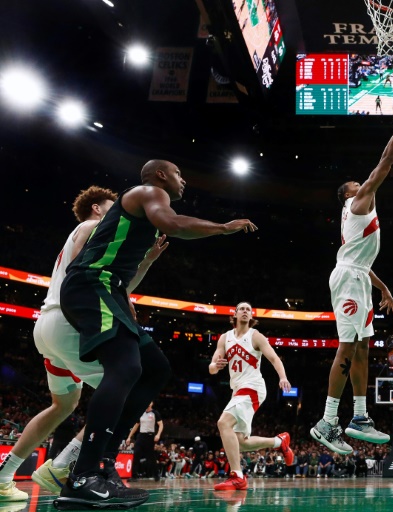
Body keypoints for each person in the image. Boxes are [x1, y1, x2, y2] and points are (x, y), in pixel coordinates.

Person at [54, 160, 256, 510]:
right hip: (92, 283)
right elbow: (172, 223)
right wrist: (223, 227)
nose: (184, 180)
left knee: (155, 368)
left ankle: (103, 465)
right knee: (126, 367)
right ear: (161, 175)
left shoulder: (140, 209)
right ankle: (83, 475)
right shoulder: (150, 192)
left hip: (111, 289)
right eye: (180, 174)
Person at [0, 186, 166, 503]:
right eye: (112, 206)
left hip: (48, 326)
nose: (119, 211)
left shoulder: (82, 233)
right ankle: (63, 466)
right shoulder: (94, 227)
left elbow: (118, 282)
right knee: (128, 386)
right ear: (97, 209)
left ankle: (4, 476)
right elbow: (86, 278)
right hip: (71, 321)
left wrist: (145, 262)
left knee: (62, 406)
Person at [311, 98, 393, 455]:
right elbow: (387, 161)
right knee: (348, 346)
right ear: (349, 196)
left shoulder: (359, 215)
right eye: (355, 184)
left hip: (358, 277)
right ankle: (327, 422)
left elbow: (362, 263)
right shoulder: (358, 203)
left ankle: (359, 417)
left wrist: (385, 289)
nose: (362, 184)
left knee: (363, 346)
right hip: (348, 280)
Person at [207, 302, 295, 490]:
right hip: (237, 390)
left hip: (253, 387)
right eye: (242, 309)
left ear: (251, 316)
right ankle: (279, 442)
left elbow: (273, 358)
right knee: (241, 443)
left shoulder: (256, 336)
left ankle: (237, 476)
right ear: (235, 314)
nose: (246, 311)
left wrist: (283, 377)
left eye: (249, 309)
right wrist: (215, 366)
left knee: (223, 423)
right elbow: (212, 367)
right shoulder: (225, 338)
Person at [125, 402, 164, 480]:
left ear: (152, 403)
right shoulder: (141, 413)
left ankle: (156, 475)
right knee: (136, 454)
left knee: (151, 457)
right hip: (141, 435)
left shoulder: (155, 413)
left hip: (150, 436)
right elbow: (136, 426)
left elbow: (161, 424)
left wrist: (158, 434)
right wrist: (129, 437)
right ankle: (134, 475)